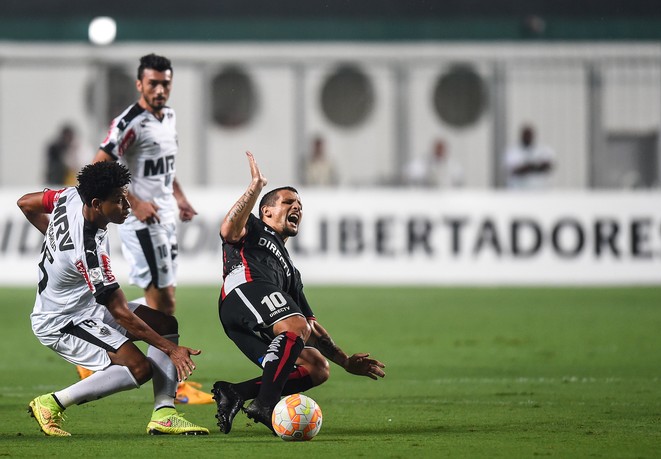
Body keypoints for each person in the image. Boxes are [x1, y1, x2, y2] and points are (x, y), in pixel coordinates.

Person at [17, 161, 208, 437]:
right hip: (62, 321)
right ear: (96, 203)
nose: (127, 206)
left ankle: (164, 415)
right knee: (139, 368)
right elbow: (120, 313)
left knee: (164, 322)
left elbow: (25, 203)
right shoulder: (89, 252)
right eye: (119, 201)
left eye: (126, 197)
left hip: (85, 306)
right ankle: (52, 403)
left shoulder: (70, 195)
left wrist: (55, 240)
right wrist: (171, 349)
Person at [211, 151, 386, 435]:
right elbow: (228, 230)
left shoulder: (291, 272)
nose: (297, 208)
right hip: (242, 292)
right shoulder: (254, 228)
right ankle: (265, 404)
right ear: (267, 211)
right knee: (295, 326)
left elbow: (311, 326)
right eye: (288, 202)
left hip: (250, 320)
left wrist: (344, 361)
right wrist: (255, 189)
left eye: (300, 205)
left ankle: (235, 392)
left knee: (317, 366)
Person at [92, 53, 211, 404]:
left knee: (165, 304)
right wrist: (134, 201)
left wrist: (181, 197)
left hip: (165, 217)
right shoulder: (130, 121)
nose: (160, 89)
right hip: (140, 221)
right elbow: (100, 163)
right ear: (139, 84)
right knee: (164, 303)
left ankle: (103, 323)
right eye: (153, 83)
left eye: (166, 83)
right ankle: (170, 383)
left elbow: (165, 168)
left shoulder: (168, 117)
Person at [504, 125, 555, 189]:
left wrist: (528, 167)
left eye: (529, 135)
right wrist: (535, 166)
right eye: (526, 135)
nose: (528, 137)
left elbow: (547, 166)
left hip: (538, 191)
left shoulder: (543, 149)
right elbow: (515, 170)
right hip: (518, 192)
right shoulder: (513, 151)